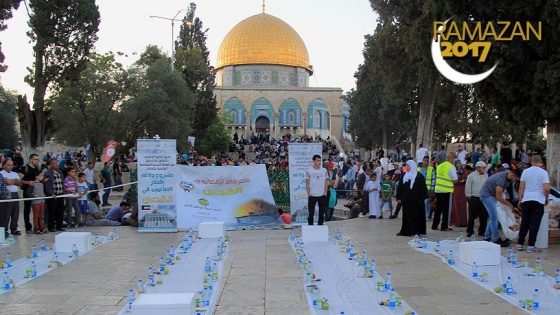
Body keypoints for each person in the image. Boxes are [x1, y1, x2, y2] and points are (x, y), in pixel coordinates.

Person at [515, 155, 550, 253]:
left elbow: (521, 187)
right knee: (535, 223)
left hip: (526, 198)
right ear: (541, 162)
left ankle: (520, 244)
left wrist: (520, 199)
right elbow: (546, 188)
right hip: (538, 199)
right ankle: (531, 245)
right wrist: (546, 198)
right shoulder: (543, 173)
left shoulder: (525, 172)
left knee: (525, 222)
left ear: (531, 161)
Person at [479, 169, 521, 247]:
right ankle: (496, 239)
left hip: (492, 195)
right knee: (494, 217)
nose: (514, 181)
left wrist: (509, 205)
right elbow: (498, 196)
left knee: (493, 217)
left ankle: (487, 237)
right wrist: (510, 205)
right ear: (512, 175)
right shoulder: (501, 179)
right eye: (515, 179)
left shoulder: (507, 179)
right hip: (487, 195)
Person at [396, 160, 428, 236]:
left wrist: (421, 198)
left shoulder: (419, 176)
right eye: (406, 165)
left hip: (416, 201)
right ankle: (406, 230)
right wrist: (399, 197)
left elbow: (423, 189)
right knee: (406, 216)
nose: (407, 167)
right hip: (406, 200)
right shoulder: (405, 176)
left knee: (416, 216)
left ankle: (415, 231)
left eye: (408, 165)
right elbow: (400, 187)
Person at [432, 152, 458, 231]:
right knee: (446, 210)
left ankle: (434, 225)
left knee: (438, 209)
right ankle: (444, 226)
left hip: (438, 190)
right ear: (452, 158)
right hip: (447, 191)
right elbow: (455, 180)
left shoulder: (439, 166)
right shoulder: (451, 167)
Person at [465, 161, 489, 238]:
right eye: (483, 168)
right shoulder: (471, 176)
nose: (484, 169)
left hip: (483, 198)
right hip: (474, 197)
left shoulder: (486, 175)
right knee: (471, 216)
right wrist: (468, 196)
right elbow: (468, 187)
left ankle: (482, 231)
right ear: (478, 168)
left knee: (483, 216)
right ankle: (470, 231)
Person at [19, 153, 41, 234]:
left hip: (36, 191)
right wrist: (27, 182)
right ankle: (28, 227)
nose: (37, 161)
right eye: (35, 159)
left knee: (38, 209)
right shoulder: (25, 168)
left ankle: (38, 226)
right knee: (27, 209)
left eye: (38, 159)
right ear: (30, 160)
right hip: (27, 191)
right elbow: (19, 180)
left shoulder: (37, 168)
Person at [1, 159, 23, 236]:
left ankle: (14, 228)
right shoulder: (1, 173)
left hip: (15, 194)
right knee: (7, 212)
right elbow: (8, 182)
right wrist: (15, 181)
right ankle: (5, 229)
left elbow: (19, 183)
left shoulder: (14, 173)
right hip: (7, 194)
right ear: (4, 165)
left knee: (15, 212)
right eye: (8, 165)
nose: (10, 167)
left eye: (11, 165)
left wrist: (12, 181)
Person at [305, 154, 328, 225]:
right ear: (314, 161)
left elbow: (326, 181)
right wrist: (309, 193)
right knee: (311, 213)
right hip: (312, 195)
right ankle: (310, 227)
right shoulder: (309, 171)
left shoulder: (324, 170)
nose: (319, 162)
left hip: (321, 195)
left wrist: (325, 192)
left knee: (321, 213)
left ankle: (320, 226)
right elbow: (307, 183)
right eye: (318, 160)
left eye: (320, 160)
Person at [44, 158, 66, 232]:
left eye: (56, 163)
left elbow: (62, 182)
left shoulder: (60, 172)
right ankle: (51, 226)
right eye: (54, 163)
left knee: (60, 211)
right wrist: (51, 193)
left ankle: (59, 225)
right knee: (52, 212)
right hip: (53, 195)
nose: (56, 165)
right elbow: (47, 185)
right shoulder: (48, 173)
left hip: (60, 194)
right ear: (50, 164)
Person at [450, 160, 469, 227]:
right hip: (456, 188)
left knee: (462, 205)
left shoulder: (463, 171)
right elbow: (453, 179)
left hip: (462, 188)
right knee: (456, 204)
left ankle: (462, 222)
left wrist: (464, 180)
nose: (459, 164)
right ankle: (456, 221)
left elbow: (466, 177)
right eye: (457, 163)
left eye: (460, 162)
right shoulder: (453, 171)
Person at [417, 156, 436, 221]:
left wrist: (432, 189)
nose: (426, 162)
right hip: (419, 189)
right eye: (425, 160)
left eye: (427, 161)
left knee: (426, 203)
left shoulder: (431, 169)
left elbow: (433, 179)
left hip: (427, 189)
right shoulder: (418, 169)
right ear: (422, 161)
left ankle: (426, 216)